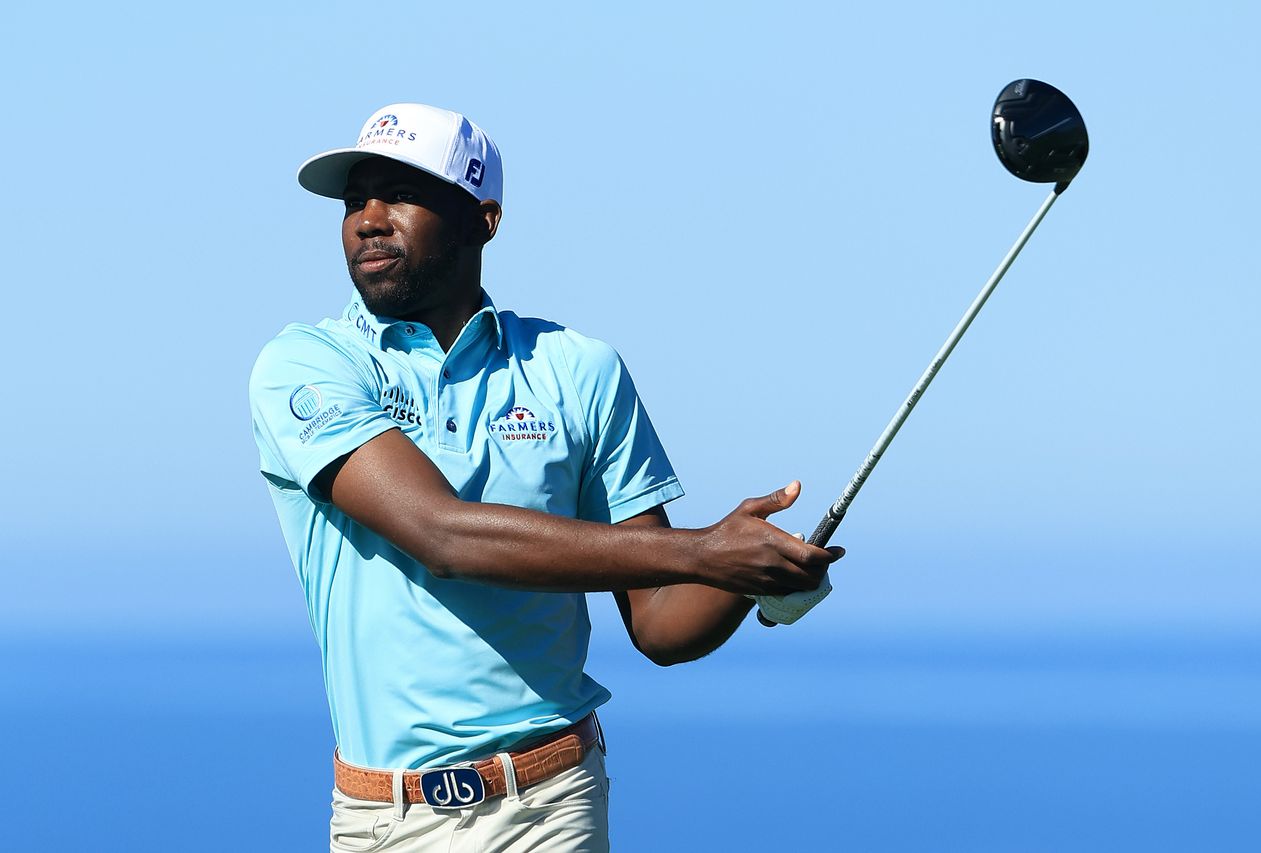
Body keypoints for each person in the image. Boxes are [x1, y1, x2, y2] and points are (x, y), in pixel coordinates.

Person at [248, 102, 843, 852]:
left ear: (482, 220)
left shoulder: (576, 369)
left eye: (399, 193)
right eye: (353, 200)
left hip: (550, 805)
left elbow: (660, 622)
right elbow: (440, 535)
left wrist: (753, 572)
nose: (367, 218)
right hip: (382, 819)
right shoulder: (308, 365)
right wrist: (703, 552)